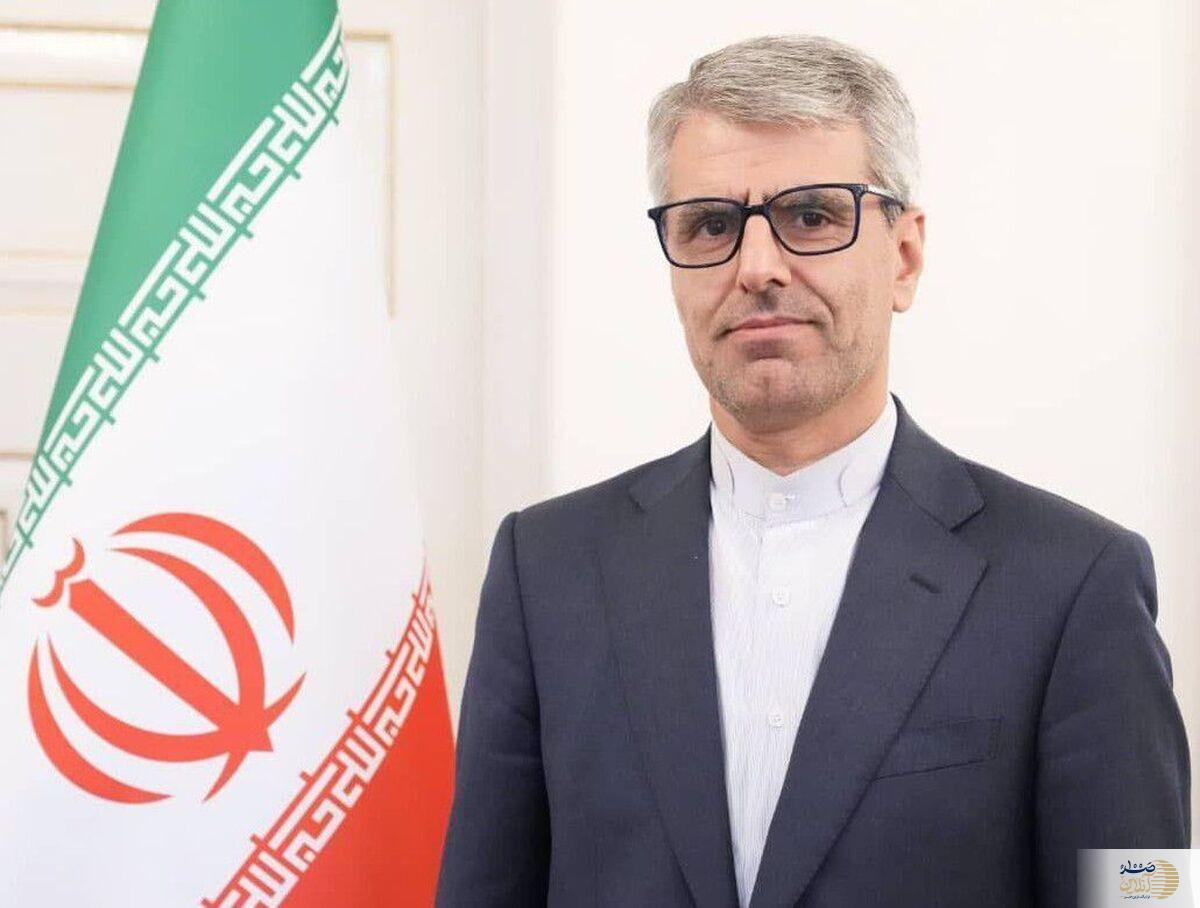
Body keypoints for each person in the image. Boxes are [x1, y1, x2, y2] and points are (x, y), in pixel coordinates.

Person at [435, 34, 1191, 907]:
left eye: (812, 217)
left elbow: (1145, 897)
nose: (757, 268)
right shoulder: (547, 569)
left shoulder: (1075, 583)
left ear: (904, 255)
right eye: (712, 224)